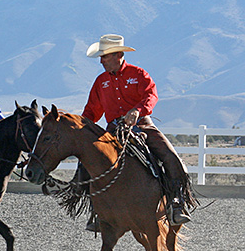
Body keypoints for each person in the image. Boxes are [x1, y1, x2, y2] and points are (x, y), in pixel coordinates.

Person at [79, 34, 192, 231]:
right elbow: (91, 111)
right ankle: (96, 210)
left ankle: (176, 202)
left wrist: (137, 110)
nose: (101, 60)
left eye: (105, 56)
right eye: (101, 56)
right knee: (89, 159)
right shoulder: (101, 82)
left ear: (119, 55)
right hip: (113, 129)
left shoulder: (138, 74)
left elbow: (151, 95)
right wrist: (81, 127)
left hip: (142, 125)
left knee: (169, 155)